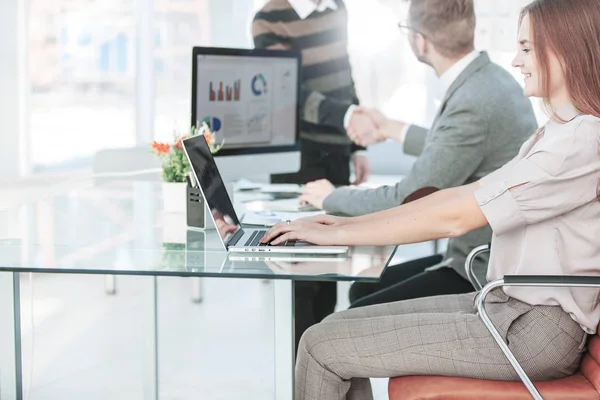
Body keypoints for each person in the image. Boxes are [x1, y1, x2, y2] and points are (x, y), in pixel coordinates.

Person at [261, 0, 600, 398]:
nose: (516, 60)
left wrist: (336, 231)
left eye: (527, 48)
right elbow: (465, 194)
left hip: (532, 328)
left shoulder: (579, 140)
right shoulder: (559, 132)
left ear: (566, 49)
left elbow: (456, 216)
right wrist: (341, 226)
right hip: (509, 306)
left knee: (320, 347)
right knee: (326, 335)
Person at [298, 0, 538, 308]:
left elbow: (410, 197)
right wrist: (391, 127)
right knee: (362, 290)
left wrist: (330, 197)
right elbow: (456, 148)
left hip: (479, 269)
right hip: (485, 251)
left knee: (360, 307)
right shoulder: (492, 80)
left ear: (420, 41)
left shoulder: (473, 100)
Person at [252, 0, 378, 351]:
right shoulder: (268, 19)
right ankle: (300, 373)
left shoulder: (336, 7)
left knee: (331, 265)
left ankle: (323, 368)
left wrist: (357, 146)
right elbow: (287, 91)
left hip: (337, 150)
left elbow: (343, 73)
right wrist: (347, 116)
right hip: (298, 155)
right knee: (299, 271)